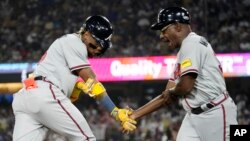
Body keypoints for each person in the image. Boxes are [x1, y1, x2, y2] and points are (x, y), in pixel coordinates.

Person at [12, 15, 136, 141]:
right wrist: (115, 112)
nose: (98, 48)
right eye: (97, 43)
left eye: (102, 46)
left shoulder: (68, 47)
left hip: (26, 96)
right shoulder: (75, 41)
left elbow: (70, 89)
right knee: (86, 138)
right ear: (86, 34)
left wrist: (78, 86)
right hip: (44, 93)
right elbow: (92, 80)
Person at [129, 7, 238, 141]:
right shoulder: (184, 50)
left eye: (164, 30)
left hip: (215, 113)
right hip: (193, 116)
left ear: (177, 26)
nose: (161, 36)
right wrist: (135, 115)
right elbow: (167, 96)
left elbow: (185, 87)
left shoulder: (191, 43)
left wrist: (171, 93)